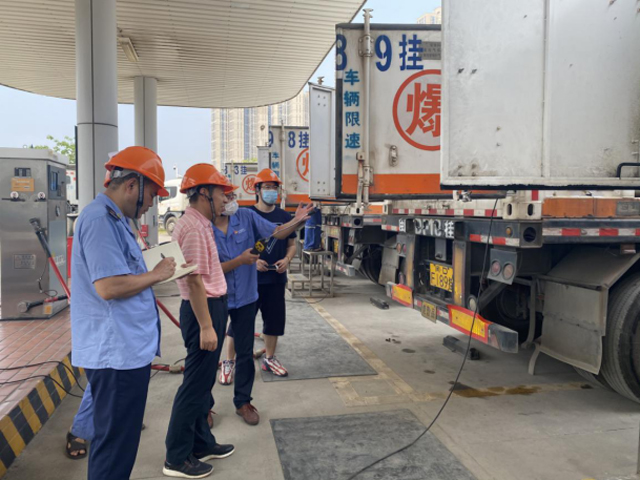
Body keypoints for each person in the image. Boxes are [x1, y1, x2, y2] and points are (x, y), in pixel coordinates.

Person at [71, 146, 177, 480]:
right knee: (114, 448)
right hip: (115, 354)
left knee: (119, 442)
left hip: (126, 351)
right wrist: (156, 274)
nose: (151, 205)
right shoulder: (100, 220)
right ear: (132, 185)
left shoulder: (117, 220)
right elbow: (109, 286)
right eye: (152, 196)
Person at [215, 176, 312, 425]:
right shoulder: (205, 224)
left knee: (251, 344)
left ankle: (243, 401)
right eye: (225, 195)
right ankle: (206, 403)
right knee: (210, 351)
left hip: (250, 292)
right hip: (218, 295)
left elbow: (278, 234)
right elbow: (206, 268)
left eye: (232, 195)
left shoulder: (246, 217)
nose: (229, 200)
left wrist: (297, 222)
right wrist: (246, 260)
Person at [163, 163, 235, 479]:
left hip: (210, 307)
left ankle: (202, 443)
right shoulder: (193, 228)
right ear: (204, 193)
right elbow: (193, 281)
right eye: (221, 193)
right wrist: (206, 326)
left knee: (203, 384)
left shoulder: (200, 223)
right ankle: (176, 457)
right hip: (202, 310)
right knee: (194, 386)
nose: (225, 200)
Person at [252, 169, 298, 377]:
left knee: (274, 321)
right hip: (250, 281)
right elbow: (237, 246)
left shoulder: (284, 216)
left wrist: (287, 260)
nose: (271, 191)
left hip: (276, 279)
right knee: (240, 322)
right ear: (257, 190)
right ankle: (230, 360)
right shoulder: (247, 214)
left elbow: (292, 245)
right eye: (267, 187)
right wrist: (254, 262)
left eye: (274, 188)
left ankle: (269, 359)